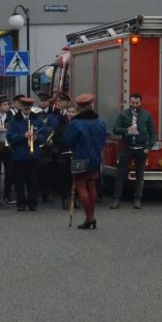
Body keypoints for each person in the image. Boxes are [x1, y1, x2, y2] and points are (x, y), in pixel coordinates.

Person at [63, 93, 107, 230]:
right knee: (92, 186)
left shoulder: (75, 123)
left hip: (80, 158)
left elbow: (68, 141)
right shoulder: (100, 121)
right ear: (91, 105)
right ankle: (91, 215)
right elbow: (103, 139)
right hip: (95, 157)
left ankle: (89, 217)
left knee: (81, 186)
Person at [112, 92, 157, 209]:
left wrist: (149, 147)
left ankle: (137, 199)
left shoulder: (147, 115)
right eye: (132, 103)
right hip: (127, 148)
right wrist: (126, 130)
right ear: (129, 102)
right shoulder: (123, 115)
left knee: (139, 176)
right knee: (121, 175)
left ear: (140, 103)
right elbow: (115, 129)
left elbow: (153, 133)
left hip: (141, 149)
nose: (134, 105)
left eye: (137, 103)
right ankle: (116, 200)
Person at [6, 96, 47, 211]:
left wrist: (36, 137)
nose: (27, 111)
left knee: (33, 181)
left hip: (33, 156)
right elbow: (10, 137)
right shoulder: (14, 121)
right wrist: (23, 136)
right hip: (19, 156)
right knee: (19, 182)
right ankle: (21, 203)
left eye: (29, 109)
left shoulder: (37, 120)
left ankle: (32, 202)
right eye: (25, 109)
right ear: (21, 108)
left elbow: (44, 137)